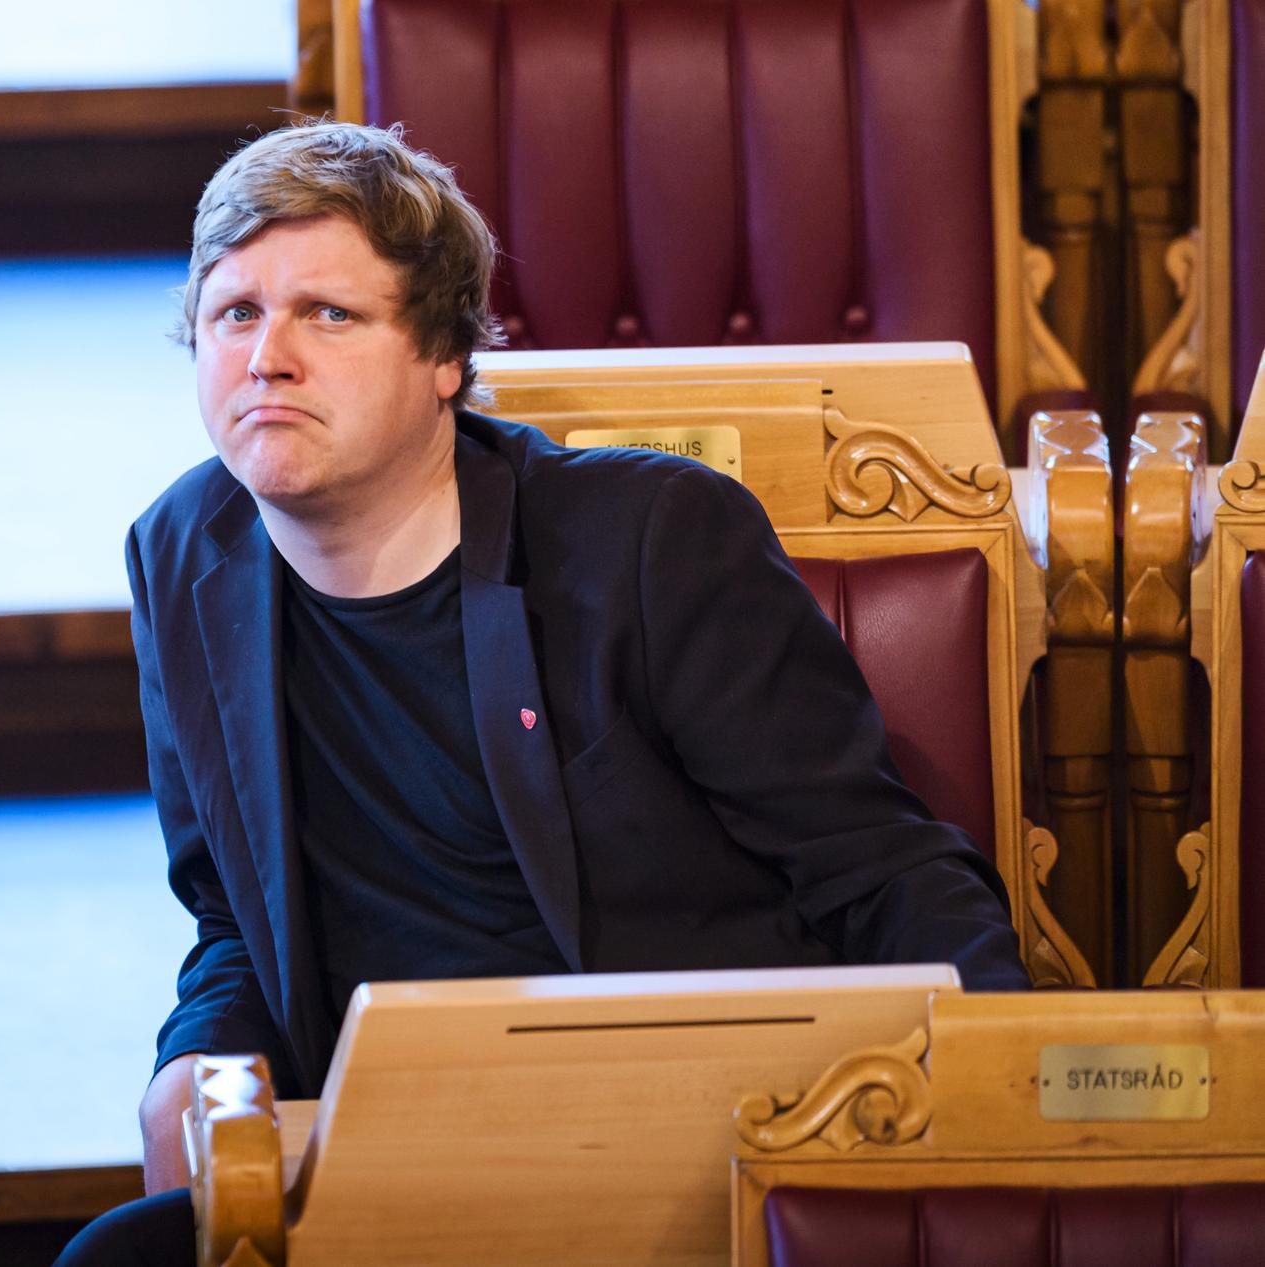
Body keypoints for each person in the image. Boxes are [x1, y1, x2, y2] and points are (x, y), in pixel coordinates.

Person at [53, 120, 1029, 1267]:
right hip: (387, 1156)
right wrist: (192, 1061)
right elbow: (232, 911)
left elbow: (878, 866)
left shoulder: (648, 538)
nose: (268, 356)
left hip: (694, 1148)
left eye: (329, 314)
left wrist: (993, 1126)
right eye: (235, 314)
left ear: (442, 361)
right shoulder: (184, 553)